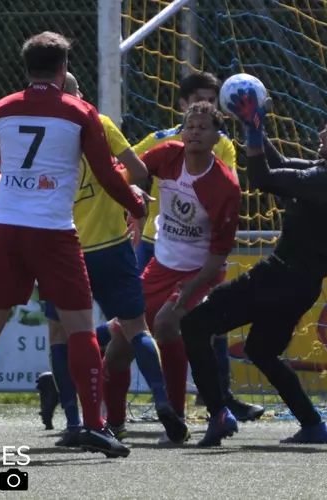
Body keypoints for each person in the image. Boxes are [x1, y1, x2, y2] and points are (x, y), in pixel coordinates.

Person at [0, 32, 146, 459]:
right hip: (54, 233)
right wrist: (137, 206)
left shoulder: (0, 109)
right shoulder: (79, 111)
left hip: (6, 230)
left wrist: (13, 195)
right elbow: (108, 176)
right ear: (63, 68)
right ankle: (94, 425)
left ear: (26, 68)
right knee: (78, 327)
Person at [181, 87, 327, 446]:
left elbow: (262, 179)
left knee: (194, 324)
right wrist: (253, 127)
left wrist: (255, 132)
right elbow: (278, 170)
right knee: (261, 351)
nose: (322, 133)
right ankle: (313, 425)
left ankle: (218, 414)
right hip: (302, 284)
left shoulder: (323, 180)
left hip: (280, 278)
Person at [38, 72, 188, 447]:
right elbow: (137, 171)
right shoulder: (100, 122)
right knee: (137, 327)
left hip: (62, 246)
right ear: (78, 94)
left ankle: (74, 424)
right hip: (112, 245)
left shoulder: (43, 130)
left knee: (64, 333)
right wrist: (133, 196)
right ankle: (162, 400)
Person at [99, 101, 241, 443]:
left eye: (202, 127)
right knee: (119, 345)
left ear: (215, 136)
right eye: (189, 125)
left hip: (202, 271)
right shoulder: (167, 155)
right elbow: (128, 174)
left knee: (165, 323)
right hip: (160, 267)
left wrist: (190, 289)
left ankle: (176, 421)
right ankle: (114, 423)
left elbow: (219, 254)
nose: (193, 132)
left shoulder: (225, 186)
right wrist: (133, 196)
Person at [130, 72, 264, 423]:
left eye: (213, 100)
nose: (205, 106)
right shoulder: (161, 143)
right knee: (135, 327)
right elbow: (123, 171)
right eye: (198, 100)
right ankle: (150, 400)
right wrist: (131, 199)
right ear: (182, 106)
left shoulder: (221, 143)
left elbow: (225, 191)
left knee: (210, 325)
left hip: (200, 255)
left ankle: (217, 398)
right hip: (154, 248)